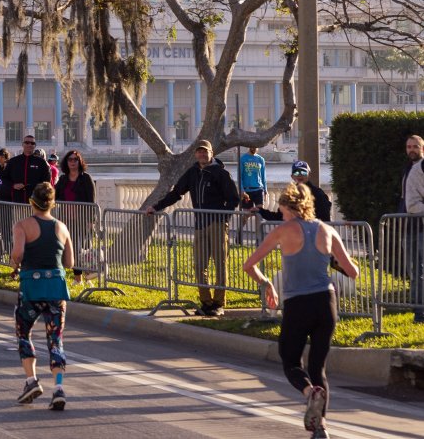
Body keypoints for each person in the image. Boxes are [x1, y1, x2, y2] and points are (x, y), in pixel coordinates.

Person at [243, 184, 358, 439]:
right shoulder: (327, 230)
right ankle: (321, 428)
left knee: (291, 360)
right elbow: (353, 272)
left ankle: (309, 394)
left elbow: (249, 265)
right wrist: (330, 261)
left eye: (283, 211)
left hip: (298, 305)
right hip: (326, 304)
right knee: (318, 368)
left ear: (290, 208)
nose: (282, 216)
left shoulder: (283, 231)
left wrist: (267, 283)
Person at [146, 139, 240, 316]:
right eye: (199, 152)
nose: (202, 155)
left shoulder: (221, 173)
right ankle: (205, 302)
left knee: (220, 264)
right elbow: (176, 193)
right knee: (199, 265)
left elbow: (233, 199)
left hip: (217, 224)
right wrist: (156, 207)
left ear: (211, 153)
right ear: (196, 154)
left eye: (205, 151)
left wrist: (223, 217)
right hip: (199, 224)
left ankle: (219, 303)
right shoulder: (192, 173)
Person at [11, 181, 74, 410]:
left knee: (23, 332)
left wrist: (14, 262)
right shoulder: (62, 227)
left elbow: (18, 254)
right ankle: (58, 388)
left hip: (32, 288)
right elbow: (69, 262)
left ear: (31, 201)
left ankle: (31, 381)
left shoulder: (22, 225)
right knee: (55, 339)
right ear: (52, 203)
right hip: (56, 289)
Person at [54, 150, 96, 283]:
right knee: (71, 248)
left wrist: (91, 220)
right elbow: (55, 195)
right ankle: (78, 277)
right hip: (66, 219)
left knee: (84, 248)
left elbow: (91, 200)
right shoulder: (63, 179)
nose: (72, 162)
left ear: (79, 162)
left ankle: (88, 275)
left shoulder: (86, 178)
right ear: (66, 162)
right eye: (70, 160)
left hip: (82, 219)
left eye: (75, 159)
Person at [256, 161, 332, 223]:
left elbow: (325, 218)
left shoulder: (318, 194)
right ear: (292, 176)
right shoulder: (290, 195)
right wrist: (260, 211)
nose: (300, 175)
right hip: (296, 234)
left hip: (315, 233)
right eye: (296, 173)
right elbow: (279, 217)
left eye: (303, 172)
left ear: (309, 175)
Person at [401, 135, 424, 323]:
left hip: (421, 227)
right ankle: (418, 313)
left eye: (415, 146)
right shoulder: (407, 169)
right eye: (409, 147)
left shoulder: (420, 168)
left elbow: (413, 204)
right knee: (414, 273)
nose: (411, 150)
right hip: (409, 228)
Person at [5, 135, 50, 205]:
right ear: (22, 144)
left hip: (36, 202)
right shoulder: (13, 161)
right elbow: (4, 179)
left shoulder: (41, 162)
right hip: (17, 201)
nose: (29, 145)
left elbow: (46, 181)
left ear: (35, 146)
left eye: (32, 143)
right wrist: (13, 185)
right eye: (27, 142)